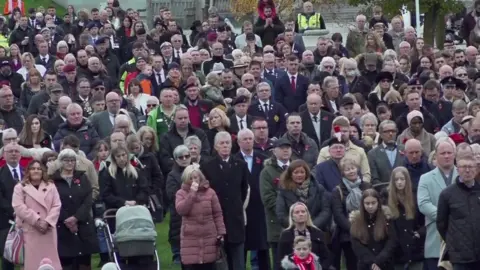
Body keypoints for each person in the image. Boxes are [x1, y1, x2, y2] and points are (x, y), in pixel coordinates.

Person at [200, 131, 249, 270]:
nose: (225, 146)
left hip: (235, 218)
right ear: (216, 146)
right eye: (222, 143)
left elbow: (244, 189)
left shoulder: (241, 165)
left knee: (238, 260)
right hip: (216, 217)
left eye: (227, 142)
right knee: (220, 260)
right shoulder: (207, 166)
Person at [51, 148, 99, 269]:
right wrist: (67, 219)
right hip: (63, 226)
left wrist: (76, 217)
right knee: (66, 263)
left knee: (84, 263)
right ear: (60, 161)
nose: (70, 163)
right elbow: (52, 202)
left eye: (72, 160)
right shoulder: (53, 180)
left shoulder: (82, 177)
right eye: (66, 160)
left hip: (83, 225)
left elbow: (88, 198)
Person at [12, 159, 62, 270]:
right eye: (33, 168)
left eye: (39, 169)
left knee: (51, 263)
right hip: (29, 230)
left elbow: (56, 205)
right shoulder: (20, 187)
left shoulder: (51, 186)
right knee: (32, 264)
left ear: (43, 171)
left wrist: (47, 222)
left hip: (48, 230)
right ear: (28, 171)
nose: (36, 171)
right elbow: (18, 206)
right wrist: (37, 220)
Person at [175, 164, 226, 270]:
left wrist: (221, 232)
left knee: (209, 265)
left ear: (200, 177)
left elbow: (217, 214)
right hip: (190, 238)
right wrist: (192, 193)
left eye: (195, 177)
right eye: (190, 178)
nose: (194, 180)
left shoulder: (210, 192)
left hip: (209, 236)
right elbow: (181, 210)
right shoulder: (181, 193)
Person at [417, 138, 457, 270]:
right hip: (435, 236)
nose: (446, 156)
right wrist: (444, 216)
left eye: (449, 152)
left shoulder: (463, 175)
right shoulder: (426, 178)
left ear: (454, 154)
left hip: (461, 240)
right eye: (442, 153)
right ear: (436, 155)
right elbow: (423, 204)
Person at [437, 154, 480, 270]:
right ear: (457, 169)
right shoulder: (447, 195)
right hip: (460, 257)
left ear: (476, 169)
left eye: (471, 167)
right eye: (463, 167)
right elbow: (441, 224)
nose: (467, 170)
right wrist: (454, 243)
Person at [331, 157, 370, 270]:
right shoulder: (337, 191)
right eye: (347, 169)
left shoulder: (367, 186)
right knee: (352, 265)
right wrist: (354, 230)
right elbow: (338, 215)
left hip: (368, 231)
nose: (351, 171)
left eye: (353, 168)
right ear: (343, 172)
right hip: (348, 235)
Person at [276, 159, 331, 231]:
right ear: (290, 174)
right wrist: (299, 226)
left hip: (317, 230)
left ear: (306, 173)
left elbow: (325, 210)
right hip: (292, 231)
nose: (299, 175)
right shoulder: (284, 190)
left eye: (302, 172)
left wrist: (312, 225)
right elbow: (281, 214)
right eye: (296, 172)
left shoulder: (318, 188)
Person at [387, 167, 425, 270]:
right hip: (396, 252)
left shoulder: (415, 197)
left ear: (407, 180)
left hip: (415, 249)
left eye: (402, 179)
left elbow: (425, 221)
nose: (399, 182)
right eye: (396, 179)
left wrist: (419, 233)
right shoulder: (385, 199)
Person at [350, 189, 396, 270]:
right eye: (367, 203)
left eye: (373, 203)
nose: (370, 206)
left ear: (378, 202)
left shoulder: (386, 218)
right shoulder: (356, 220)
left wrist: (379, 261)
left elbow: (392, 241)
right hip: (365, 265)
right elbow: (356, 245)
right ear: (362, 204)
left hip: (385, 264)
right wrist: (372, 262)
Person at [278, 202, 331, 269]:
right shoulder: (286, 235)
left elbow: (326, 257)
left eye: (303, 212)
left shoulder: (317, 233)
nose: (301, 214)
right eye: (297, 212)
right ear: (292, 216)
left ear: (307, 215)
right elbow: (280, 260)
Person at [166, 145, 192, 265]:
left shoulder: (196, 171)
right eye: (181, 157)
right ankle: (177, 255)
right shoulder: (172, 175)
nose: (184, 159)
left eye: (187, 156)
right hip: (179, 213)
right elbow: (172, 195)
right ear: (176, 159)